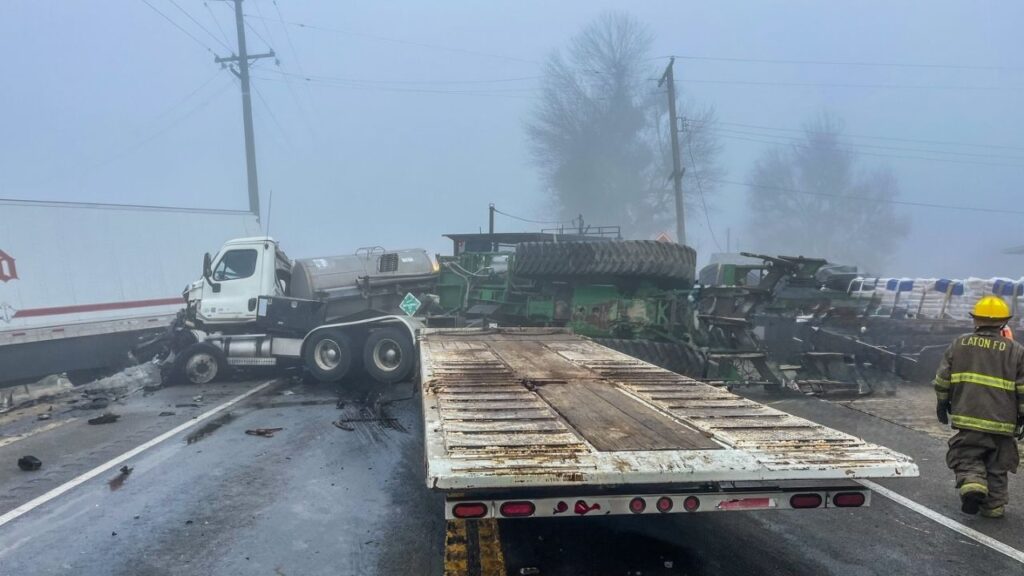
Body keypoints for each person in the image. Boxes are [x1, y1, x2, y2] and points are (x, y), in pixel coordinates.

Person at [934, 295, 1024, 518]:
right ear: (1003, 322)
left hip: (969, 417)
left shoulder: (959, 344)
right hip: (1003, 422)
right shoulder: (1016, 350)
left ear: (975, 320)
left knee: (966, 455)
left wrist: (942, 403)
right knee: (998, 464)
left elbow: (943, 379)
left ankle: (973, 485)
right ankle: (993, 507)